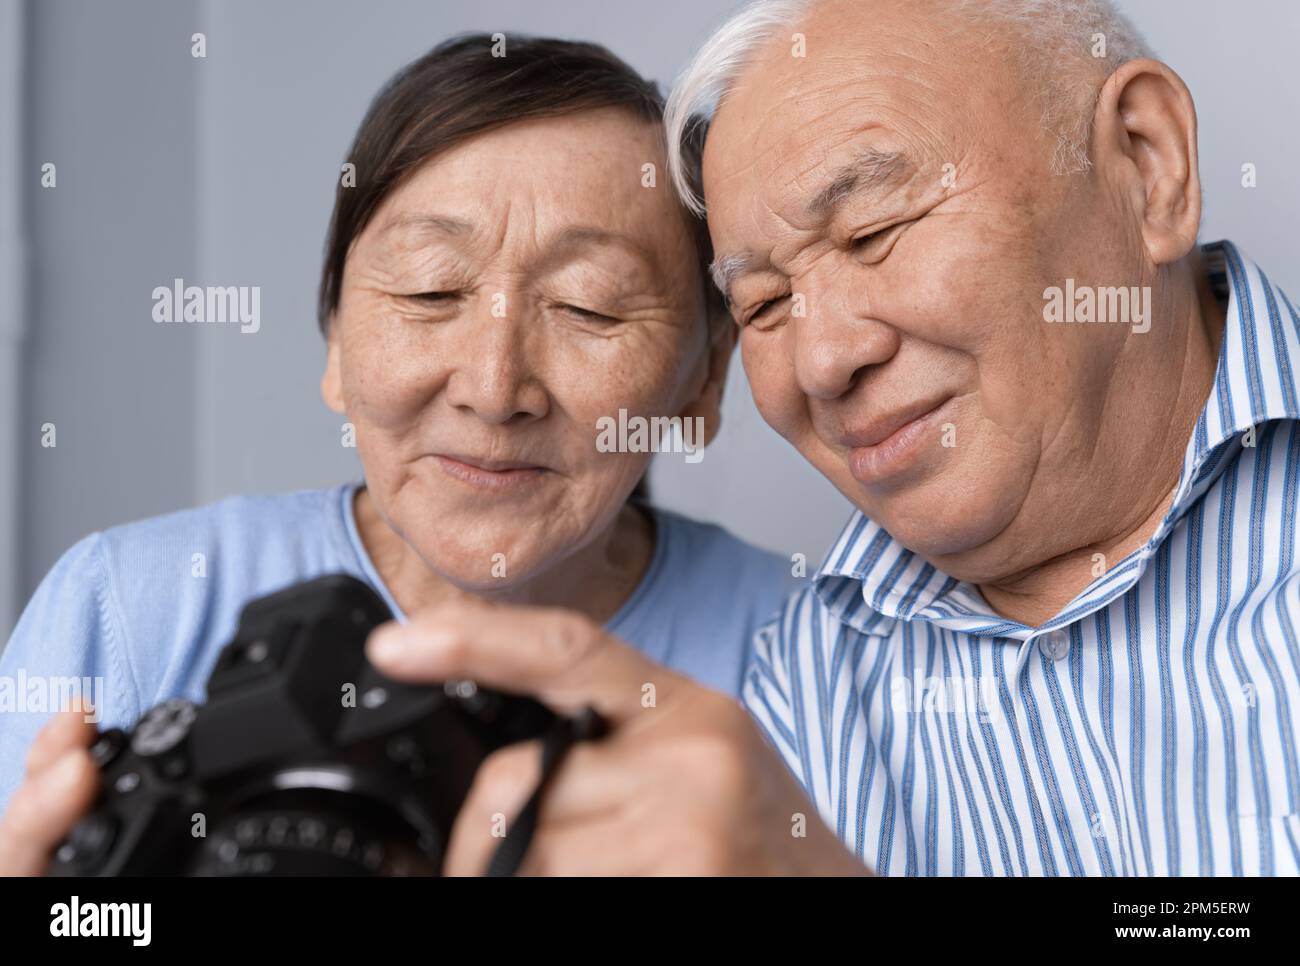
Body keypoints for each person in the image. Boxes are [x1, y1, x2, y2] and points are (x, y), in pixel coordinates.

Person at [205, 0, 1294, 876]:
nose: (823, 361)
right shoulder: (788, 683)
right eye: (765, 303)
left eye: (873, 230)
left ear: (1145, 166)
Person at [0, 34, 796, 873]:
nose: (494, 389)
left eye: (589, 307)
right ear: (337, 341)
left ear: (704, 381)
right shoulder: (129, 605)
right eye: (429, 289)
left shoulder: (807, 642)